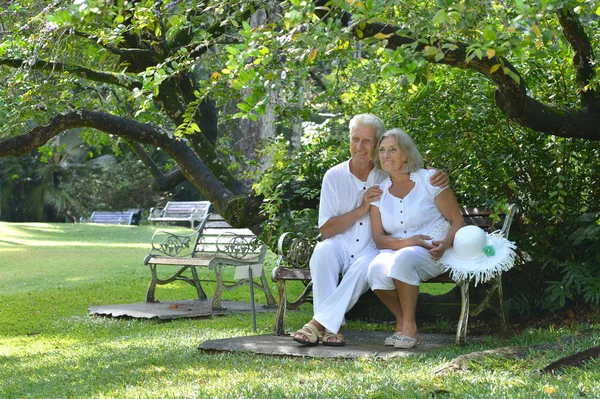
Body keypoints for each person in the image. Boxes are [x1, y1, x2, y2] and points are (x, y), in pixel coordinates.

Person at [292, 115, 450, 347]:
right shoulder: (333, 176)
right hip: (340, 244)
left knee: (368, 266)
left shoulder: (387, 170)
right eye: (355, 139)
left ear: (377, 145)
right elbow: (326, 229)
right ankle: (332, 325)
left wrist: (440, 175)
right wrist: (361, 208)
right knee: (322, 252)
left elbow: (412, 171)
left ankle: (320, 325)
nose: (360, 146)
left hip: (372, 247)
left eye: (367, 141)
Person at [367, 128, 465, 349]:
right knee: (374, 269)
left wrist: (445, 244)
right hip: (397, 250)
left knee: (404, 260)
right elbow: (379, 239)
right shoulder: (379, 193)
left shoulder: (429, 179)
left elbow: (457, 220)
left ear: (407, 153)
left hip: (434, 250)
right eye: (382, 150)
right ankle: (402, 321)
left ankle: (409, 327)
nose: (385, 155)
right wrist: (410, 241)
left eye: (393, 149)